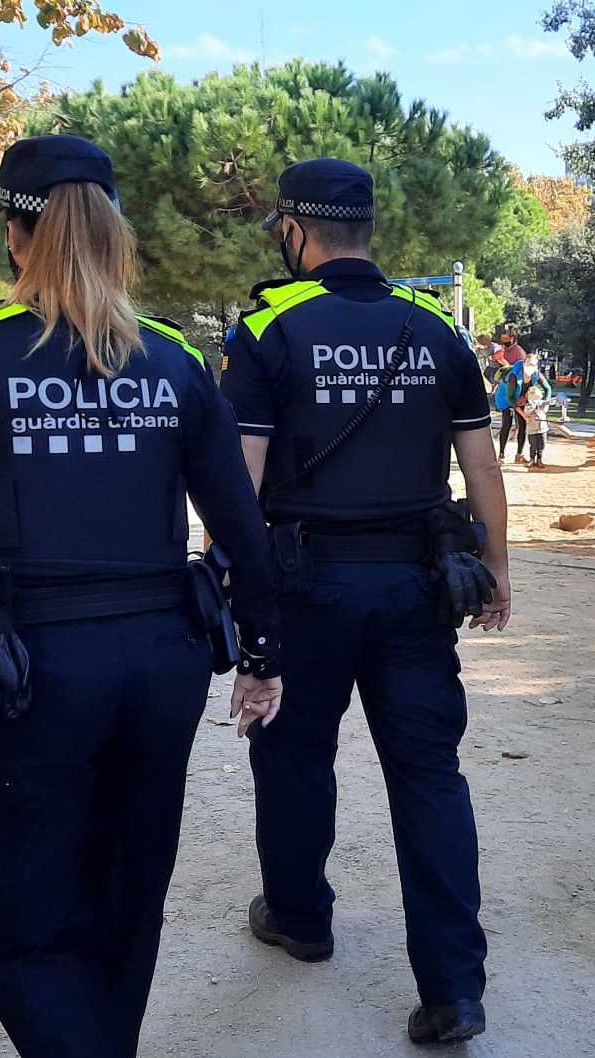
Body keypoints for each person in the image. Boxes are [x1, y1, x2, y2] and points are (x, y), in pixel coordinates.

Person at [0, 134, 282, 1058]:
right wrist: (262, 651)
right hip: (162, 664)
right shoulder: (173, 360)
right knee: (125, 899)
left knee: (18, 925)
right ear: (117, 234)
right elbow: (240, 525)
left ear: (16, 236)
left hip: (30, 673)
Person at [219, 158, 511, 1046]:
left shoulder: (267, 327)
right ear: (366, 230)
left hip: (305, 588)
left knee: (296, 756)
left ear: (296, 233)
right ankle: (454, 989)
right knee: (429, 775)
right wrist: (498, 569)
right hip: (418, 587)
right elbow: (481, 462)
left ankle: (301, 919)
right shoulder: (434, 328)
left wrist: (236, 599)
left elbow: (243, 481)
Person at [496, 331, 537, 463]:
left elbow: (544, 388)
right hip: (506, 394)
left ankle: (519, 455)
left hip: (519, 394)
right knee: (507, 423)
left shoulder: (520, 353)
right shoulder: (513, 375)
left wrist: (526, 399)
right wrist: (521, 411)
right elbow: (510, 397)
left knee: (522, 425)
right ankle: (501, 455)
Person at [522, 387, 551, 468]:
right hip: (532, 429)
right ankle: (531, 459)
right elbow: (527, 413)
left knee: (541, 445)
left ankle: (539, 459)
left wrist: (545, 404)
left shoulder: (543, 404)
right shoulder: (528, 405)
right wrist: (534, 407)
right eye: (534, 398)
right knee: (533, 445)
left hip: (542, 429)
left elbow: (545, 409)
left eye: (537, 398)